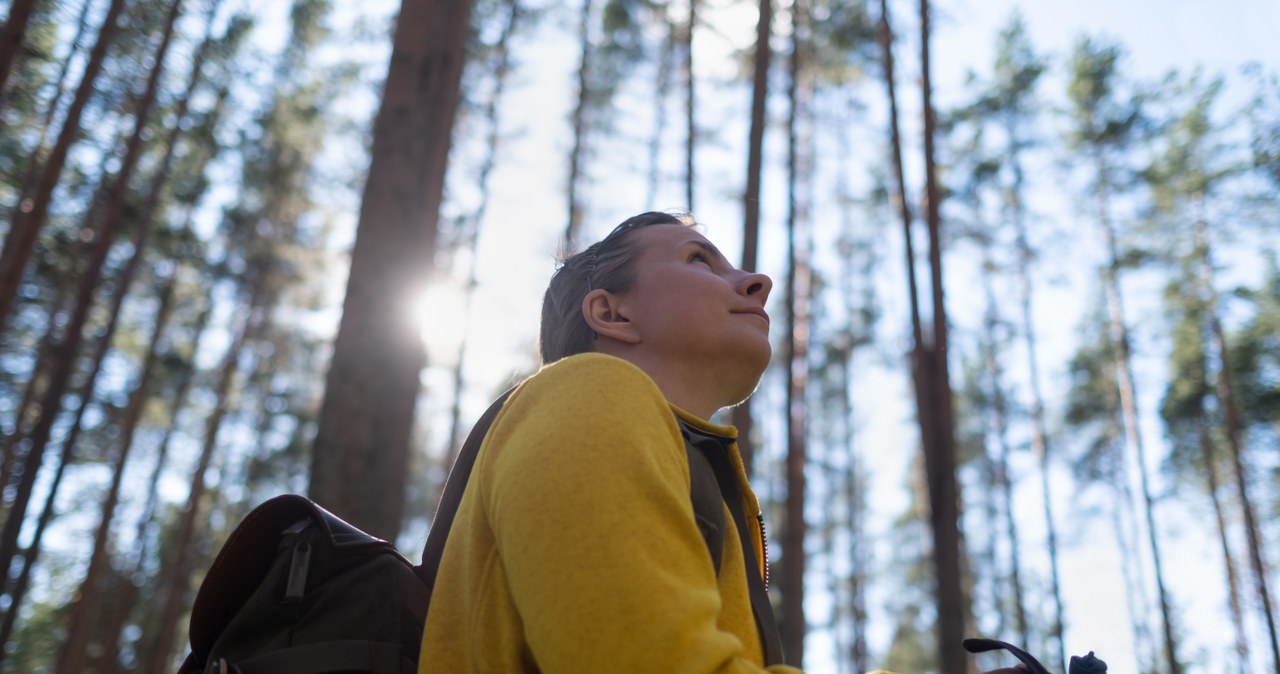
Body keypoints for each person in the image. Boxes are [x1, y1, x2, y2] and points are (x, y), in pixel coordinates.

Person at [418, 211, 1020, 674]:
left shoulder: (679, 456)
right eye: (701, 261)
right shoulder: (589, 388)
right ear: (612, 314)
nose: (757, 282)